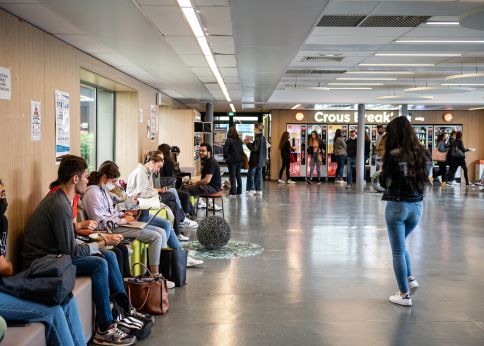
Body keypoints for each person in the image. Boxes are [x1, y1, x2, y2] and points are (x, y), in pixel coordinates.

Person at [20, 157, 140, 345]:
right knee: (100, 262)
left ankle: (122, 310)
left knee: (108, 254)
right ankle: (104, 328)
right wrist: (102, 241)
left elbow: (68, 242)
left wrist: (102, 243)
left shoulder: (62, 200)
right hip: (41, 263)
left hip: (54, 255)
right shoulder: (60, 205)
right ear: (75, 179)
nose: (87, 179)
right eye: (85, 176)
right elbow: (71, 251)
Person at [0, 179, 87, 346]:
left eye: (3, 194)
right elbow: (4, 267)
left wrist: (7, 268)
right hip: (5, 285)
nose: (3, 200)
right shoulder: (58, 205)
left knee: (65, 297)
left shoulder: (2, 221)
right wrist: (7, 267)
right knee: (52, 312)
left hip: (5, 284)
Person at [82, 161, 168, 277]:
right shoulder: (93, 193)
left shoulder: (101, 190)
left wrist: (122, 214)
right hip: (109, 230)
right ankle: (155, 274)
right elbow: (101, 223)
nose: (113, 185)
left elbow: (110, 213)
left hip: (116, 225)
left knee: (160, 232)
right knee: (156, 237)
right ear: (104, 177)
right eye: (113, 181)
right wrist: (124, 220)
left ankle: (156, 272)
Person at [379, 117, 431, 307]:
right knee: (402, 246)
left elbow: (384, 182)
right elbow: (426, 179)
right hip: (417, 208)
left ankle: (404, 294)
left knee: (398, 250)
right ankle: (410, 279)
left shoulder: (393, 154)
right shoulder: (424, 153)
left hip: (397, 207)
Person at [127, 154, 203, 267]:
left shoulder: (147, 173)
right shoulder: (141, 173)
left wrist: (155, 191)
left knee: (167, 223)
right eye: (158, 166)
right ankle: (165, 259)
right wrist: (156, 191)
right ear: (152, 162)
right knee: (168, 208)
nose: (159, 170)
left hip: (144, 210)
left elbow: (148, 191)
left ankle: (180, 254)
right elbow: (142, 193)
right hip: (138, 214)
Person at [157, 144, 193, 216]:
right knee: (185, 194)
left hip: (164, 186)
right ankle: (185, 214)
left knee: (184, 192)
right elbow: (169, 177)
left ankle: (188, 212)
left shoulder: (163, 162)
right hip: (166, 186)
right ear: (167, 151)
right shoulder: (168, 162)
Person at [245, 122, 267, 196]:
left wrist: (247, 143)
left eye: (254, 128)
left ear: (257, 129)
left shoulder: (257, 138)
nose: (253, 129)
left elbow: (254, 149)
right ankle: (259, 190)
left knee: (251, 174)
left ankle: (252, 189)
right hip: (260, 160)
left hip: (255, 160)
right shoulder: (263, 137)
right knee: (259, 175)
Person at [223, 126, 244, 196]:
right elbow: (241, 150)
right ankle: (239, 190)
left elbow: (225, 150)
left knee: (232, 176)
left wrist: (226, 156)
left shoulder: (229, 140)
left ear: (229, 132)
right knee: (238, 175)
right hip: (240, 160)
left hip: (232, 160)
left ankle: (233, 192)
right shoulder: (239, 140)